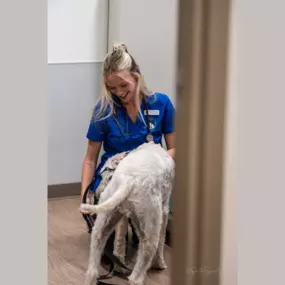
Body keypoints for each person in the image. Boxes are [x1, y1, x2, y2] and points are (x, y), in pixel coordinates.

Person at [79, 43, 176, 216]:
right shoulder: (104, 110)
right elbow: (90, 160)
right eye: (112, 88)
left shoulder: (161, 103)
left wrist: (150, 165)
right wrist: (84, 197)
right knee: (106, 234)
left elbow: (175, 149)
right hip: (112, 178)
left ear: (136, 76)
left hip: (147, 176)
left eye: (124, 85)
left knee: (146, 235)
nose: (119, 93)